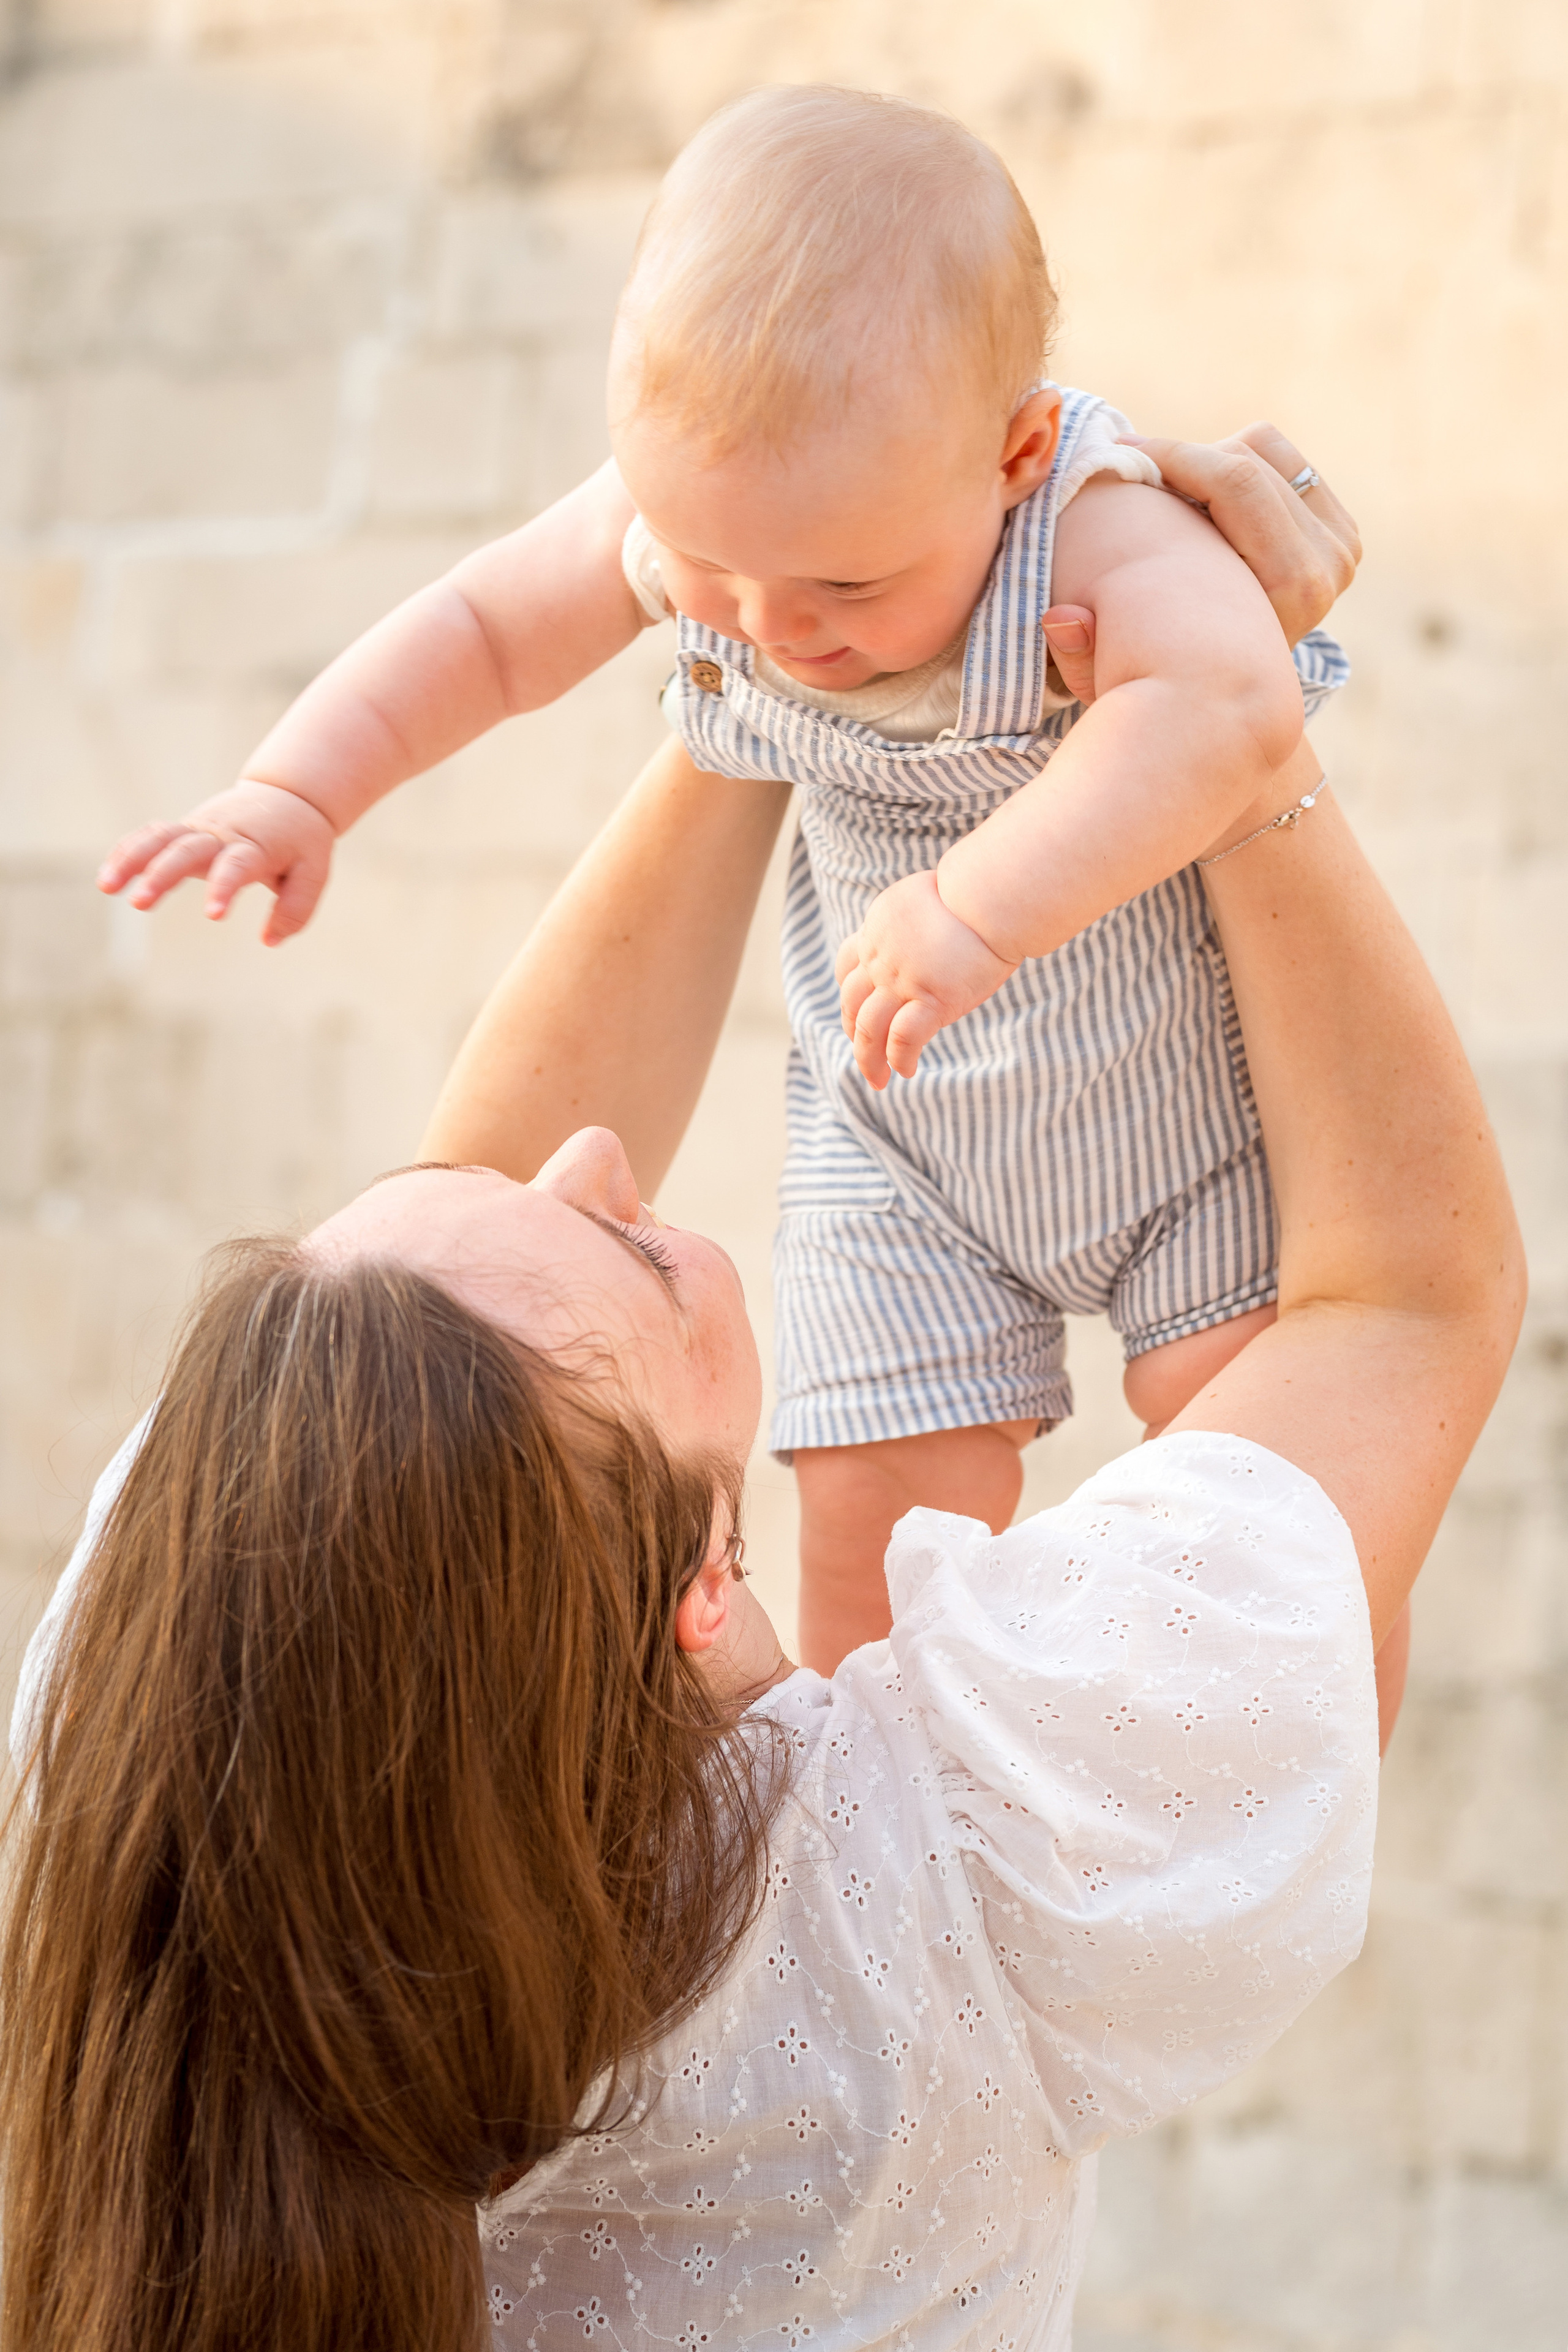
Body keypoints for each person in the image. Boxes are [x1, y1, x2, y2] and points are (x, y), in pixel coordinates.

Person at [2, 436, 1521, 2352]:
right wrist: (1228, 726)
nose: (585, 1161)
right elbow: (1406, 1307)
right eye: (634, 1257)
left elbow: (464, 1268)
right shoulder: (944, 1893)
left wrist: (771, 660)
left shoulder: (147, 1743)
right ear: (703, 1584)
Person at [93, 85, 1371, 1680]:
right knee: (878, 1516)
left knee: (1257, 1468)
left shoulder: (1094, 523)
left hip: (1174, 1115)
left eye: (846, 583)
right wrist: (298, 786)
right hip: (899, 1142)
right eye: (715, 574)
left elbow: (1231, 712)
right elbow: (487, 631)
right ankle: (897, 1793)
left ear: (1014, 450)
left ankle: (1270, 1747)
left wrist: (979, 907)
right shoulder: (712, 513)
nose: (773, 628)